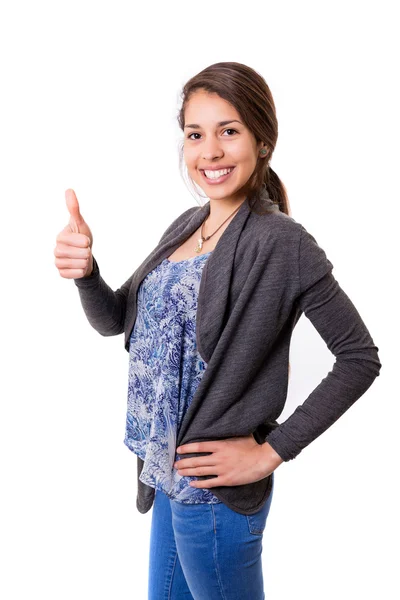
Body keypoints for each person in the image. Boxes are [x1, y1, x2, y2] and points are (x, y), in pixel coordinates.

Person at [54, 62, 382, 600]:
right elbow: (117, 320)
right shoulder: (185, 225)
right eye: (195, 134)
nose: (210, 151)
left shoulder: (282, 242)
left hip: (216, 496)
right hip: (165, 478)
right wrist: (86, 273)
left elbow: (358, 358)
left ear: (262, 139)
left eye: (228, 131)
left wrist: (272, 449)